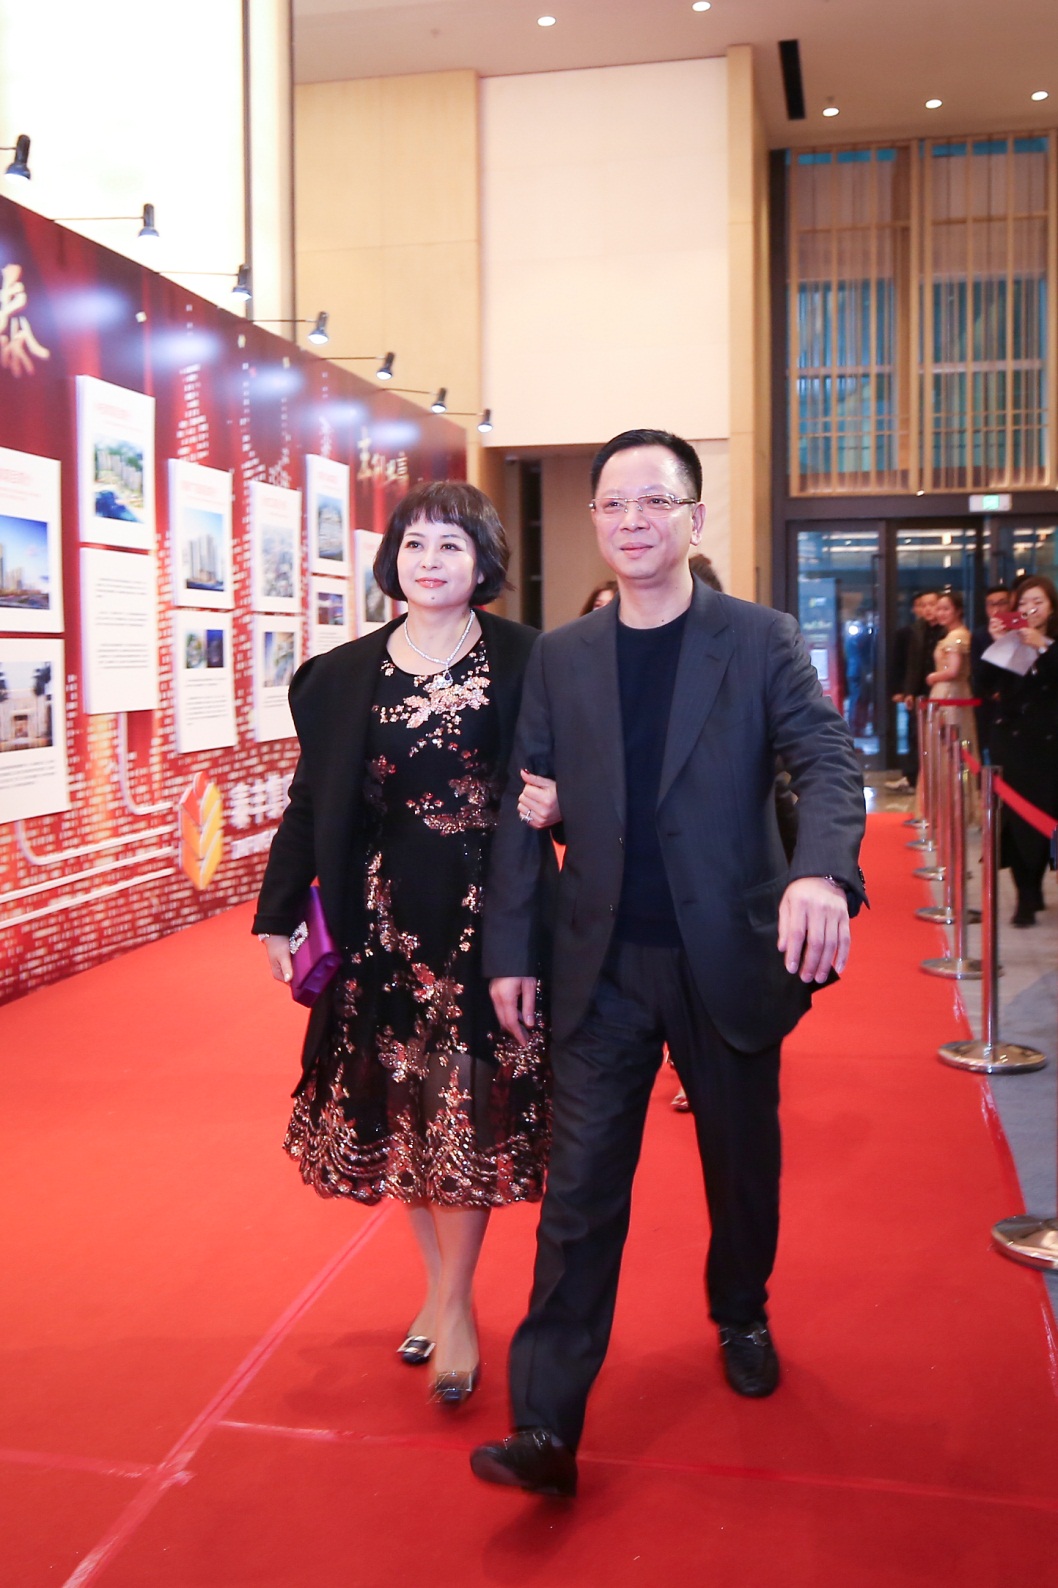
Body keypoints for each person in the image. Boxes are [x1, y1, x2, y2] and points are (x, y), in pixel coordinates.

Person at [470, 428, 866, 1498]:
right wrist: (511, 949)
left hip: (723, 954)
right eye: (612, 503)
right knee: (579, 1194)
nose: (632, 520)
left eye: (654, 500)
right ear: (595, 522)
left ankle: (740, 1309)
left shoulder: (758, 637)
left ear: (693, 516)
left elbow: (825, 759)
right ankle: (545, 1424)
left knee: (739, 1167)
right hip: (598, 963)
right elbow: (523, 808)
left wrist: (821, 872)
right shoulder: (563, 655)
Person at [253, 481, 557, 1405]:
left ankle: (454, 1307)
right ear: (393, 558)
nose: (431, 561)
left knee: (463, 1105)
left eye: (452, 545)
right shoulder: (341, 676)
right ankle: (442, 1290)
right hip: (381, 922)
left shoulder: (531, 660)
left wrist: (563, 805)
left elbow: (573, 780)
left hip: (490, 915)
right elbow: (313, 804)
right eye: (416, 543)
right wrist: (277, 911)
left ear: (483, 562)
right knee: (402, 1108)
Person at [985, 573, 1058, 927]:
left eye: (1038, 602)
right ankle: (1025, 896)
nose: (1031, 609)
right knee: (1018, 823)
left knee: (1047, 820)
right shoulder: (1011, 642)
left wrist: (1043, 646)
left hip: (1051, 746)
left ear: (1052, 607)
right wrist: (998, 645)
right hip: (1014, 744)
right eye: (1024, 603)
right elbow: (984, 684)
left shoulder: (1052, 644)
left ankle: (1038, 884)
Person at [885, 590, 941, 793]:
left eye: (932, 604)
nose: (928, 609)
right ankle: (912, 777)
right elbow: (908, 665)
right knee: (915, 735)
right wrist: (905, 691)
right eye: (923, 605)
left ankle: (935, 779)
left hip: (941, 691)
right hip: (918, 692)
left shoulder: (947, 631)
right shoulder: (913, 631)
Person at [971, 585, 1012, 749]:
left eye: (1002, 603)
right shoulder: (979, 635)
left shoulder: (1021, 632)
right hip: (988, 703)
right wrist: (993, 691)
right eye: (991, 604)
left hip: (1016, 700)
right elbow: (977, 670)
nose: (997, 609)